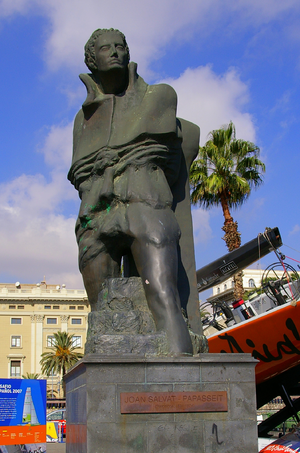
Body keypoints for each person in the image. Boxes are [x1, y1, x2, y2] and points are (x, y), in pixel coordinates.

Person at [68, 28, 201, 354]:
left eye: (120, 46)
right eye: (106, 48)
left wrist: (106, 161)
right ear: (91, 59)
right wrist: (110, 163)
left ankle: (184, 387)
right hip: (96, 218)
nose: (115, 52)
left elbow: (154, 144)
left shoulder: (158, 95)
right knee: (101, 319)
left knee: (164, 300)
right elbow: (78, 172)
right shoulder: (83, 119)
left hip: (145, 204)